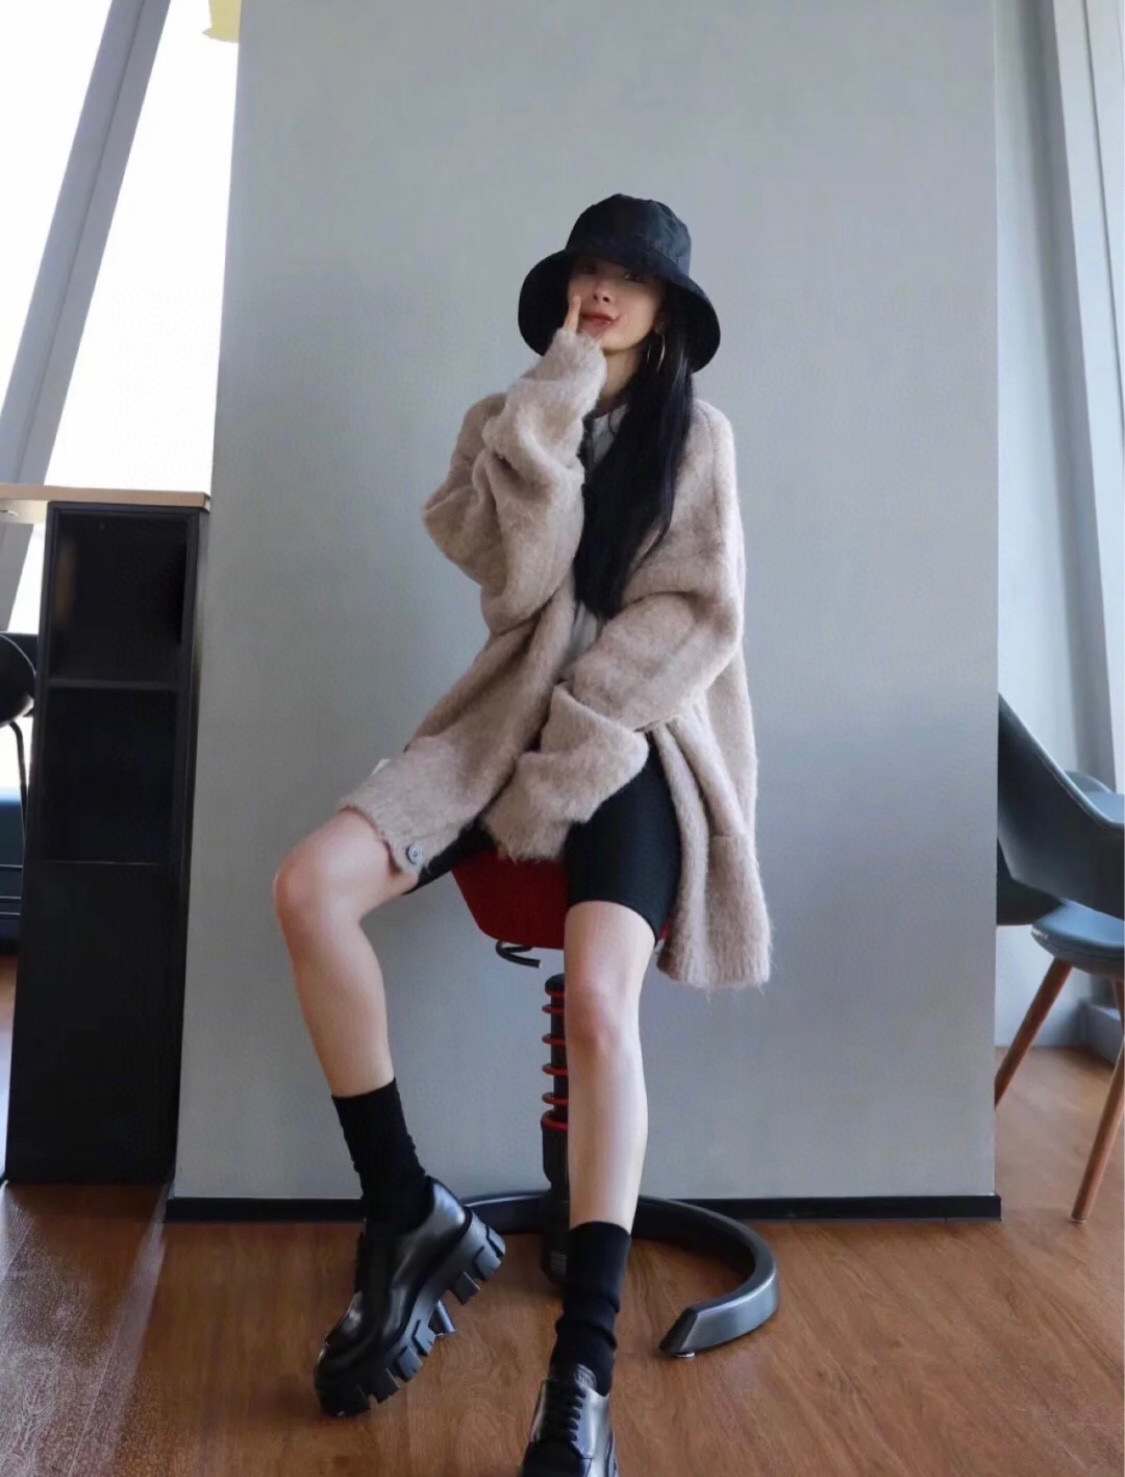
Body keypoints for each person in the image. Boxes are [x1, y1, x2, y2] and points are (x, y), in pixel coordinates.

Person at [273, 194, 763, 1477]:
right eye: (587, 271)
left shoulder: (700, 438)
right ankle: (405, 1210)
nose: (600, 291)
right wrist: (550, 408)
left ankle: (580, 1375)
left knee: (600, 1006)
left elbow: (695, 617)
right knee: (309, 889)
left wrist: (580, 743)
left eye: (626, 279)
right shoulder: (511, 419)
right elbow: (521, 586)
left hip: (640, 740)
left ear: (665, 313)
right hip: (501, 725)